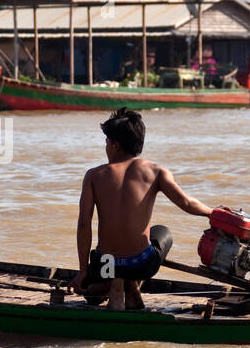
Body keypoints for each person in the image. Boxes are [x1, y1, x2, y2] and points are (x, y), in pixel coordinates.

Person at [69, 108, 214, 310]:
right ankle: (132, 285)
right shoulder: (156, 171)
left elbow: (84, 224)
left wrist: (83, 271)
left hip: (107, 264)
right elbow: (187, 203)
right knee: (163, 233)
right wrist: (213, 213)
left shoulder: (94, 175)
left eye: (106, 143)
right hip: (140, 264)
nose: (106, 148)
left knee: (92, 294)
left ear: (116, 145)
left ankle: (114, 283)